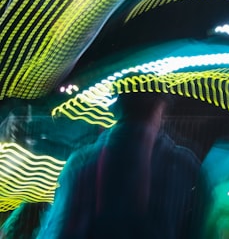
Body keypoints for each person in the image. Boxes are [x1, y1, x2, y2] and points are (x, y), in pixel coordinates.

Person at [38, 92, 203, 239]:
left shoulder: (82, 162)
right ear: (161, 109)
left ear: (116, 106)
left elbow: (58, 229)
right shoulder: (185, 166)